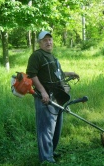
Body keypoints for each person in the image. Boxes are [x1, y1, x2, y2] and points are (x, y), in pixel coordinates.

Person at [26, 31, 79, 163]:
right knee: (46, 130)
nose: (48, 42)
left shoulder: (52, 57)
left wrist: (70, 73)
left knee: (56, 128)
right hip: (45, 98)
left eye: (50, 39)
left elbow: (58, 74)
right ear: (40, 43)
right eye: (45, 40)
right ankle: (46, 160)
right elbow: (32, 75)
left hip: (57, 96)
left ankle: (51, 152)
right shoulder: (36, 56)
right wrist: (43, 92)